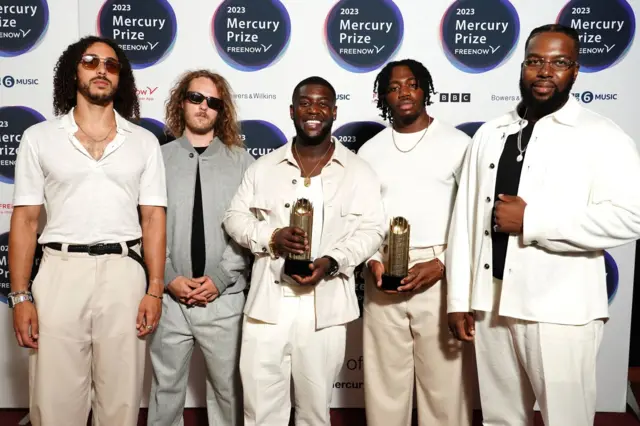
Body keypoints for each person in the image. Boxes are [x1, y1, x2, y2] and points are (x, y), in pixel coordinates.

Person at [447, 24, 640, 426]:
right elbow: (464, 220)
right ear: (523, 67)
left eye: (558, 63)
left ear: (575, 70)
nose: (545, 71)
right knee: (501, 418)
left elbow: (630, 217)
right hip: (492, 302)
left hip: (561, 309)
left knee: (565, 418)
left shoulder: (601, 135)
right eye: (536, 61)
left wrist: (532, 220)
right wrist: (460, 299)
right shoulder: (491, 133)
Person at [8, 36, 167, 426]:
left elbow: (153, 219)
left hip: (125, 274)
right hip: (60, 272)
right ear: (73, 72)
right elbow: (26, 221)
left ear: (121, 78)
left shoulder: (144, 142)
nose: (101, 69)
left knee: (121, 405)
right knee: (54, 403)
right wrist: (20, 296)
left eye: (111, 65)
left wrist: (154, 288)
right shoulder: (39, 138)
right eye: (90, 61)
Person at [222, 76, 386, 425]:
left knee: (315, 413)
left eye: (323, 103)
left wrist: (332, 262)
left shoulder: (358, 172)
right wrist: (271, 236)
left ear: (334, 111)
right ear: (293, 110)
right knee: (261, 411)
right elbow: (234, 218)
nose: (314, 110)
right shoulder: (263, 167)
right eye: (306, 102)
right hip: (268, 305)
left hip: (324, 309)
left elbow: (373, 230)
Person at [357, 59, 473, 426]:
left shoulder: (459, 144)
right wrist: (372, 259)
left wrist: (441, 265)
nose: (403, 92)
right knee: (383, 387)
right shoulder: (370, 151)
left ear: (425, 89)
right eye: (394, 87)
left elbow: (472, 219)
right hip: (382, 274)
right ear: (383, 96)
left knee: (444, 390)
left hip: (438, 273)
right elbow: (364, 216)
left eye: (411, 84)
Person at [146, 70, 254, 426]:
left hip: (224, 299)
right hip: (168, 298)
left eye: (213, 102)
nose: (204, 106)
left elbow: (249, 229)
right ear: (182, 102)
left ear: (221, 111)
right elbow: (144, 225)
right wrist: (168, 278)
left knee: (229, 391)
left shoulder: (242, 162)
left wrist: (221, 278)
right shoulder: (156, 159)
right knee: (165, 391)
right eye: (196, 98)